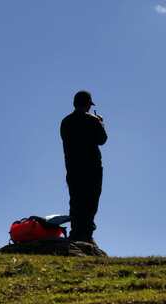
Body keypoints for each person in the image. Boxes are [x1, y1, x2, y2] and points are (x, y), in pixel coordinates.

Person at [60, 90, 108, 243]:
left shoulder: (65, 122)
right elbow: (102, 139)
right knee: (91, 201)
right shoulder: (93, 121)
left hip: (73, 169)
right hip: (92, 168)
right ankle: (86, 235)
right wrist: (101, 123)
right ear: (88, 104)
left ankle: (76, 233)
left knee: (76, 201)